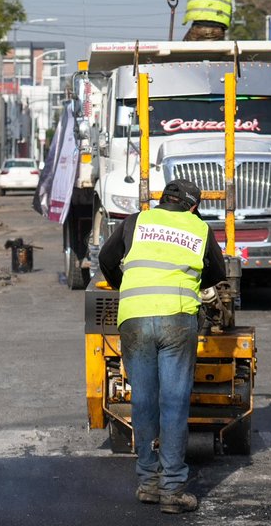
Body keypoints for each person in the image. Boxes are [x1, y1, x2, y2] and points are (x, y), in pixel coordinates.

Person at [97, 179, 227, 514]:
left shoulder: (135, 222)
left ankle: (148, 484)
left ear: (162, 200)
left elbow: (106, 258)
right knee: (173, 403)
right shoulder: (199, 228)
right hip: (177, 319)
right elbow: (218, 272)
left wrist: (122, 284)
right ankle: (172, 490)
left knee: (143, 400)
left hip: (134, 318)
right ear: (193, 206)